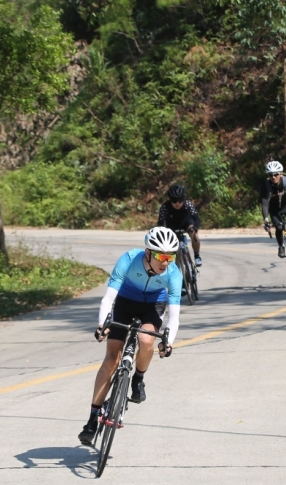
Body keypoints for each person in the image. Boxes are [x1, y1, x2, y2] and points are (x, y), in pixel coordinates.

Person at [79, 227, 183, 446]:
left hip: (153, 305)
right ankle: (92, 419)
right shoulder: (128, 259)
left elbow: (174, 317)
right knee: (111, 360)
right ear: (148, 252)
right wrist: (102, 325)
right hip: (125, 301)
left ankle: (138, 379)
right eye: (161, 256)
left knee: (147, 340)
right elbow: (108, 299)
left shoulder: (174, 273)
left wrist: (169, 342)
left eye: (171, 256)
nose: (166, 262)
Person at [157, 184, 202, 266]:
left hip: (187, 223)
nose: (177, 203)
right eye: (174, 200)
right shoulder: (165, 207)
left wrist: (195, 227)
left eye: (180, 200)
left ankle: (197, 256)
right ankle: (178, 268)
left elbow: (196, 218)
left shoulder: (188, 204)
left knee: (195, 235)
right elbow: (160, 223)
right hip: (172, 226)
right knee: (173, 249)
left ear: (183, 199)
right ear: (170, 199)